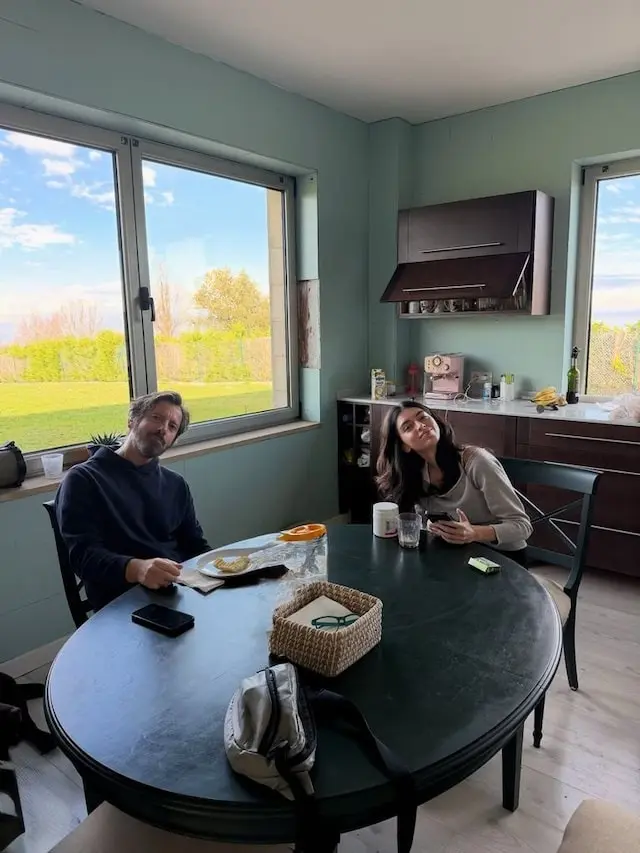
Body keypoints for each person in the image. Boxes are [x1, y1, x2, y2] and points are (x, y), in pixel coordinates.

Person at [56, 391, 211, 611]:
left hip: (180, 593)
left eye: (172, 426)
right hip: (122, 605)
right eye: (156, 418)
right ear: (132, 421)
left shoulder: (176, 485)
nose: (162, 429)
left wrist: (221, 572)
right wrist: (138, 569)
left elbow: (195, 545)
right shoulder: (84, 479)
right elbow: (84, 557)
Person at [376, 402, 532, 562]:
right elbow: (421, 521)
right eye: (408, 427)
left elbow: (522, 526)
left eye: (423, 417)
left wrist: (474, 533)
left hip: (504, 558)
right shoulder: (414, 475)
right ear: (404, 446)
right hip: (458, 554)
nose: (421, 426)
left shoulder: (477, 462)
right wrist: (431, 527)